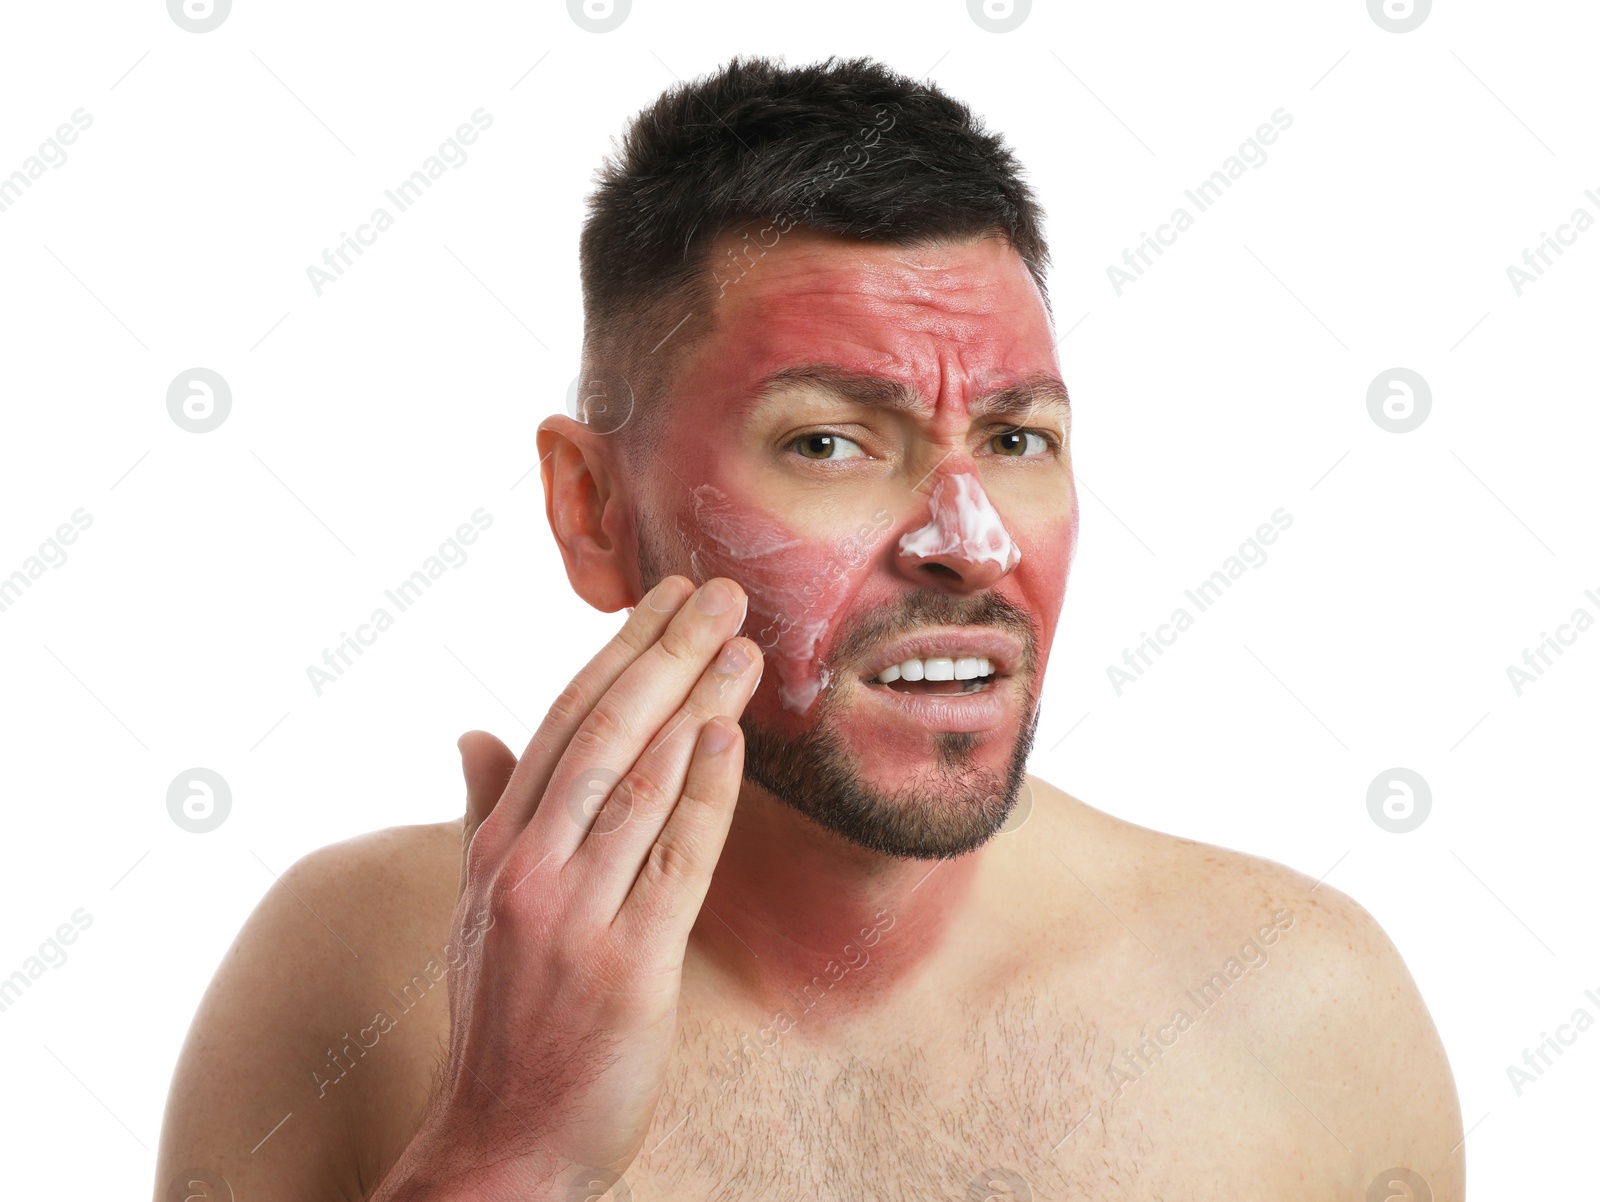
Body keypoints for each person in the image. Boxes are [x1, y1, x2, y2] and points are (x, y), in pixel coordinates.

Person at [155, 55, 1464, 1201]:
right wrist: (504, 1149)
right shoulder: (345, 980)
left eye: (1016, 437)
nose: (971, 535)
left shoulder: (1301, 1009)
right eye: (832, 440)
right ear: (596, 509)